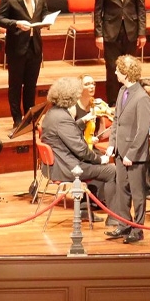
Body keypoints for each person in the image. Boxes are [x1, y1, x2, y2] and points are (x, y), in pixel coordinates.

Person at [41, 76, 118, 224]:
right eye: (76, 94)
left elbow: (70, 133)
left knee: (99, 164)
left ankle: (84, 208)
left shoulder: (53, 113)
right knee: (111, 170)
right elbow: (81, 150)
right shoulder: (62, 118)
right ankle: (114, 218)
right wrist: (100, 159)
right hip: (67, 167)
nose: (78, 96)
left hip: (59, 164)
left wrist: (82, 121)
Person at [105, 55, 150, 244]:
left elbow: (143, 130)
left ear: (125, 73)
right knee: (122, 190)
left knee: (137, 193)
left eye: (118, 70)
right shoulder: (121, 92)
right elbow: (117, 120)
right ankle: (124, 224)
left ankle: (138, 229)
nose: (115, 72)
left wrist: (131, 154)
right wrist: (112, 145)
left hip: (135, 155)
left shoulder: (142, 97)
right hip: (120, 152)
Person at [0, 0, 49, 126]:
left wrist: (47, 21)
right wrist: (16, 24)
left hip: (35, 46)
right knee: (15, 86)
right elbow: (1, 19)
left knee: (31, 85)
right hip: (17, 47)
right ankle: (17, 119)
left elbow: (44, 12)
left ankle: (29, 117)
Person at [95, 0, 146, 104]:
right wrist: (98, 34)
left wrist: (142, 33)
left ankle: (130, 102)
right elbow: (98, 10)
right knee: (112, 70)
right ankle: (112, 104)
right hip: (110, 31)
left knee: (130, 69)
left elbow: (141, 8)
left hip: (131, 30)